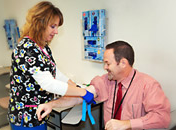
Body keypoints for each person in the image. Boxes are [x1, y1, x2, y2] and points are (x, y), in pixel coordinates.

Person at [36, 40, 171, 130]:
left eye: (108, 63)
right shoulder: (105, 80)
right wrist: (51, 105)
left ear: (123, 63)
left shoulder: (148, 85)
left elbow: (163, 118)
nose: (105, 67)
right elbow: (80, 97)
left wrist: (127, 124)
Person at [8, 1, 94, 130]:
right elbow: (48, 83)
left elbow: (55, 73)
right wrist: (83, 92)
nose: (56, 31)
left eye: (57, 27)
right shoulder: (26, 48)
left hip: (39, 114)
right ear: (39, 24)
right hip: (25, 118)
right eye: (53, 26)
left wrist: (76, 86)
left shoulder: (43, 48)